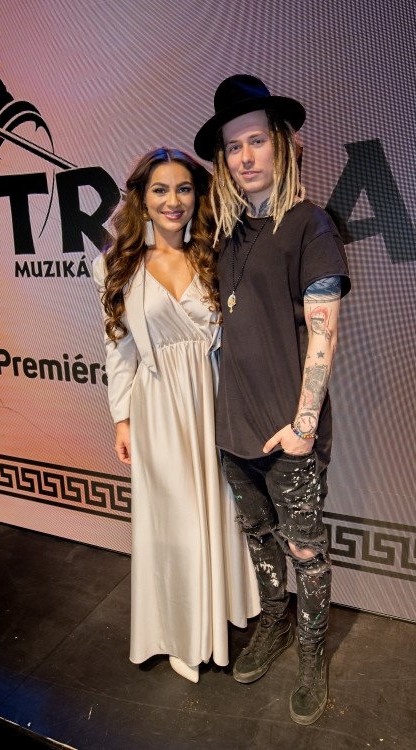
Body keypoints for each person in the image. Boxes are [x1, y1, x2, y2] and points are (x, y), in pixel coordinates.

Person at [194, 75, 351, 723]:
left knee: (305, 550)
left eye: (256, 140)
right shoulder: (226, 231)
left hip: (289, 433)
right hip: (234, 427)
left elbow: (324, 332)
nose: (246, 156)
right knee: (258, 536)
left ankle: (312, 654)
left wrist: (304, 426)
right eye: (233, 147)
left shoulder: (311, 224)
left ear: (283, 144)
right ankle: (274, 624)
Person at [92, 147, 260, 684]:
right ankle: (183, 632)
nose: (173, 200)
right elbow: (118, 349)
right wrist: (121, 419)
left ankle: (215, 617)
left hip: (212, 399)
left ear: (196, 196)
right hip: (158, 406)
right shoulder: (115, 265)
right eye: (160, 189)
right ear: (141, 198)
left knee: (215, 510)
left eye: (184, 189)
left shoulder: (215, 256)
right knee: (174, 522)